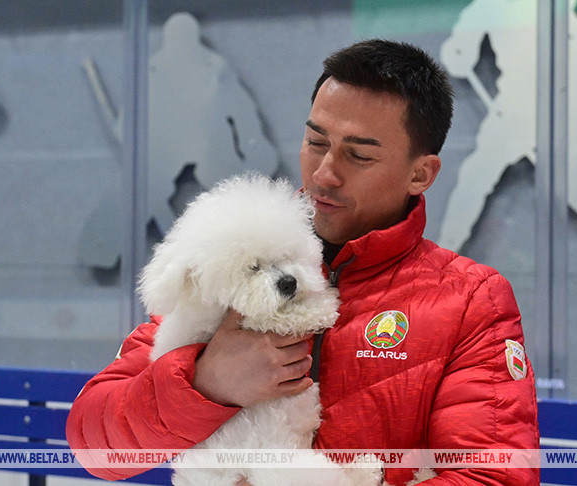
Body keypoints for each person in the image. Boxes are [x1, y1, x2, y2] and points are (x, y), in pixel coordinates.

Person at [66, 39, 539, 485]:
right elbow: (94, 442)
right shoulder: (232, 256)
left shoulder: (470, 300)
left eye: (358, 155)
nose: (325, 172)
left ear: (421, 173)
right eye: (316, 142)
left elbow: (495, 474)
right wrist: (205, 382)